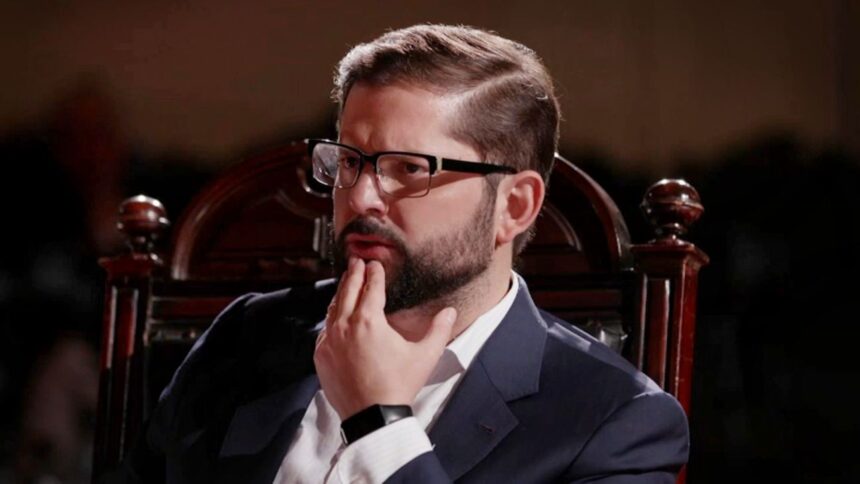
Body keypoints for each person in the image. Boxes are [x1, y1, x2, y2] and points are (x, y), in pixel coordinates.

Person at [114, 24, 688, 483]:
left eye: (409, 169)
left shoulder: (615, 421)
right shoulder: (244, 338)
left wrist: (378, 423)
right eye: (349, 161)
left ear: (514, 206)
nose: (361, 197)